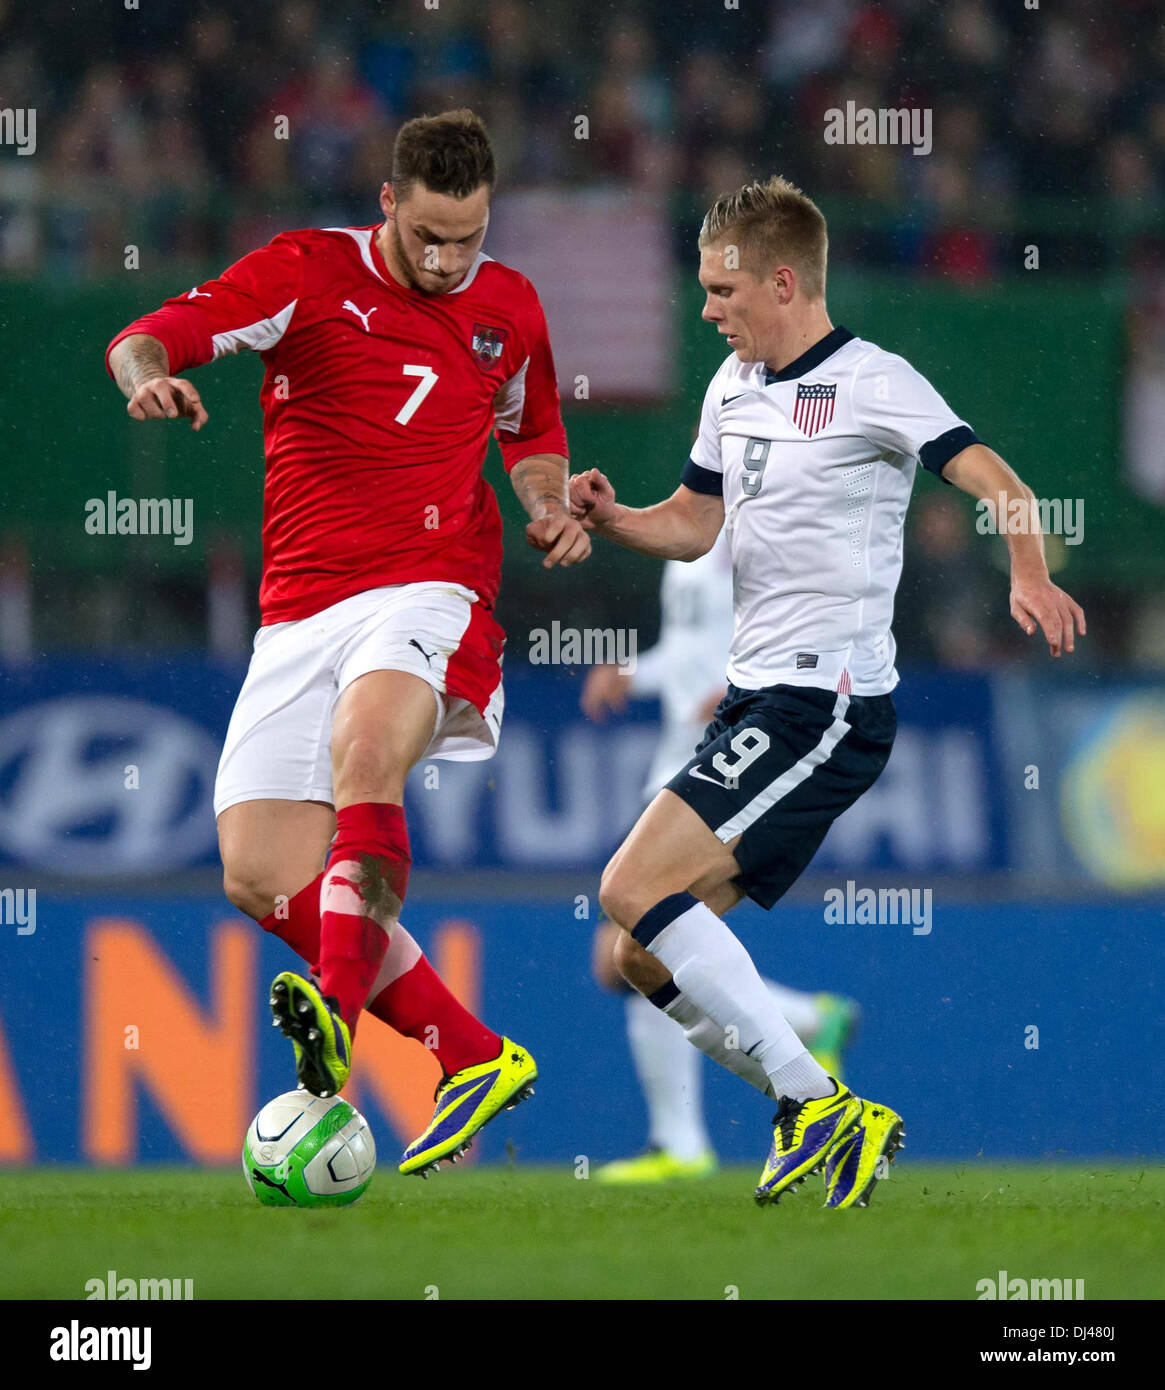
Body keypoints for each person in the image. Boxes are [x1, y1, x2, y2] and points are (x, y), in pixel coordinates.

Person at [571, 175, 1085, 1210]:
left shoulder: (874, 381)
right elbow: (693, 523)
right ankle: (825, 1106)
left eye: (723, 291)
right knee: (632, 951)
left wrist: (1026, 570)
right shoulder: (731, 388)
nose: (708, 309)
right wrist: (614, 515)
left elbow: (1000, 483)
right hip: (757, 702)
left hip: (828, 706)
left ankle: (812, 1102)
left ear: (782, 279)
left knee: (628, 886)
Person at [105, 109, 590, 1178]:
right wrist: (143, 376)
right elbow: (149, 334)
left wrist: (548, 505)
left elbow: (533, 431)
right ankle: (471, 1054)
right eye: (428, 236)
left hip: (432, 585)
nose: (449, 259)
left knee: (365, 750)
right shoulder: (305, 274)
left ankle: (330, 1021)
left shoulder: (508, 305)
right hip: (299, 608)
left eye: (468, 236)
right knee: (257, 870)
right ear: (387, 204)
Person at [581, 529, 859, 1183]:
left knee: (631, 946)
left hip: (726, 751)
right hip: (677, 754)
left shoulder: (765, 520)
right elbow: (688, 650)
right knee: (636, 953)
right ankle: (806, 1024)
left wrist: (749, 691)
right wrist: (634, 672)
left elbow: (806, 611)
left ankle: (683, 1140)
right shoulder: (691, 539)